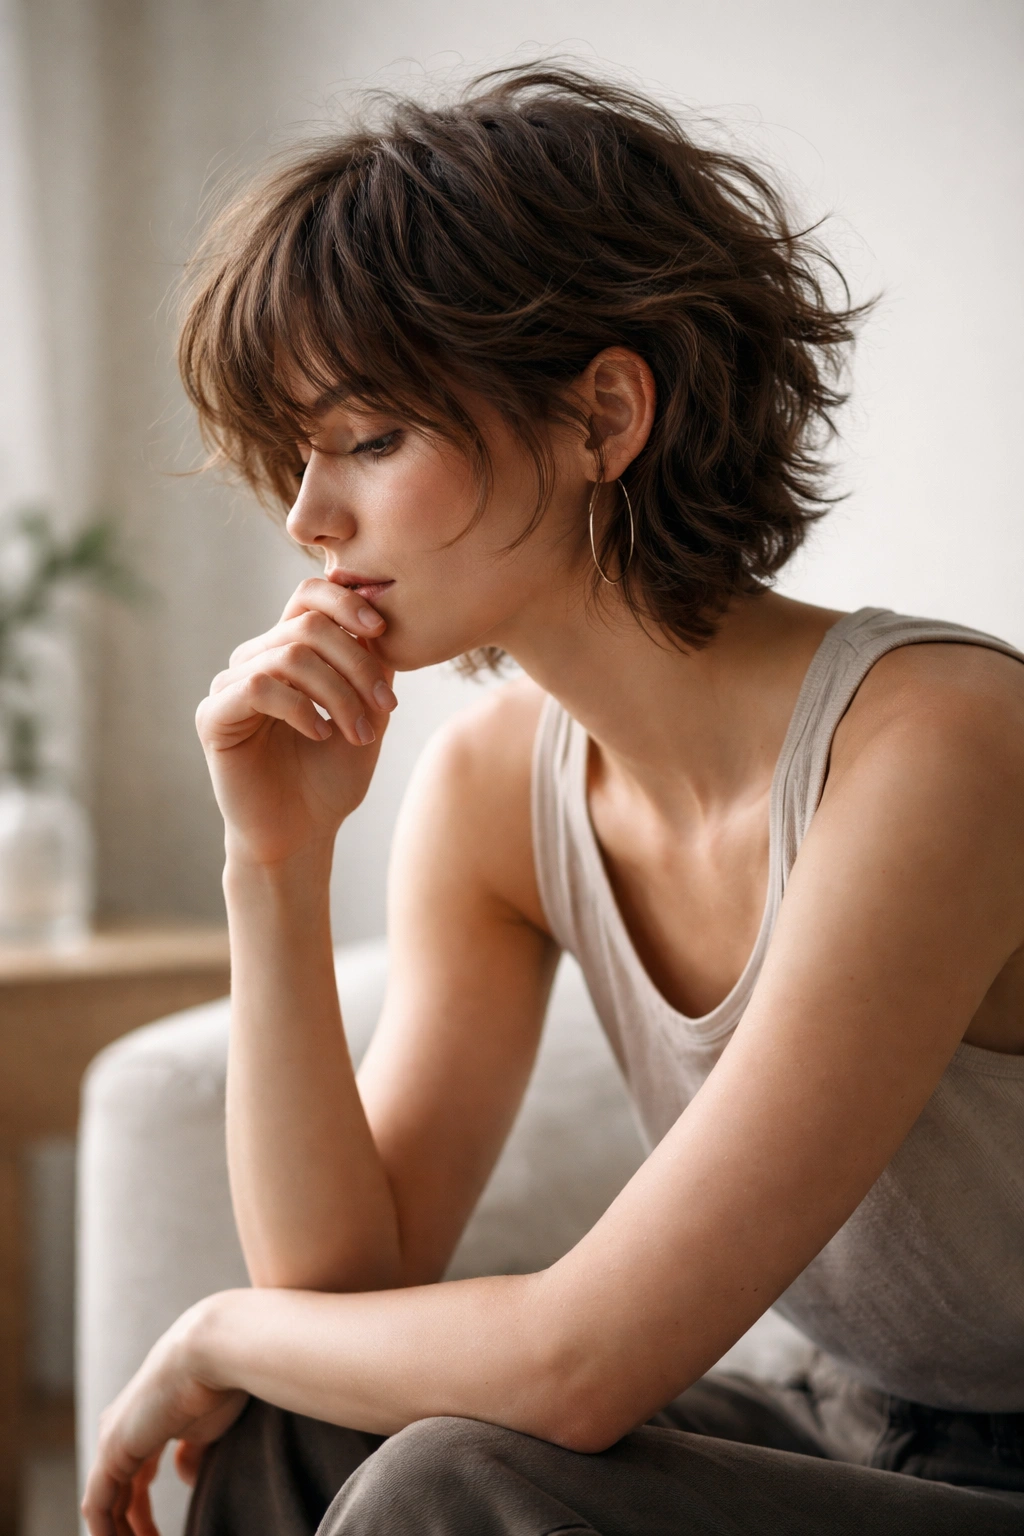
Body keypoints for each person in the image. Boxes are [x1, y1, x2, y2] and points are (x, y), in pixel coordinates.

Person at [82, 64, 1024, 1536]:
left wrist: (207, 1329)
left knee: (441, 1473)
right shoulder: (494, 786)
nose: (308, 518)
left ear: (603, 415)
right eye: (299, 452)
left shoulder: (940, 748)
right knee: (293, 1427)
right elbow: (343, 1304)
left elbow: (583, 1368)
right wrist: (272, 860)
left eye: (371, 440)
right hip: (834, 1424)